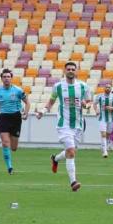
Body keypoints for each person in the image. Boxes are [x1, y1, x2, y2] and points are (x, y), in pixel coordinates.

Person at [37, 61, 92, 191]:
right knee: (71, 152)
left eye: (73, 69)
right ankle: (73, 182)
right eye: (69, 69)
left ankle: (55, 159)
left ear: (76, 71)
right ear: (65, 71)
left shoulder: (83, 86)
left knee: (70, 152)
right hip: (64, 125)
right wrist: (43, 111)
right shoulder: (58, 87)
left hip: (78, 125)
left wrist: (86, 105)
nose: (71, 71)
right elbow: (51, 102)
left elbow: (89, 102)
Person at [0, 68, 29, 174]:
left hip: (16, 118)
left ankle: (11, 148)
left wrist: (25, 113)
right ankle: (9, 167)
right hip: (4, 118)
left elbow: (27, 102)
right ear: (1, 79)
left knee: (14, 148)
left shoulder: (18, 90)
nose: (6, 78)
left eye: (8, 77)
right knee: (5, 143)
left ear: (11, 78)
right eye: (4, 77)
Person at [94, 85, 113, 158]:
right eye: (106, 87)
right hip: (102, 118)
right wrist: (96, 110)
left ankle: (104, 146)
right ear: (104, 88)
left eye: (109, 87)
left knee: (108, 134)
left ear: (111, 89)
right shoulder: (99, 96)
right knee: (103, 134)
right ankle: (105, 151)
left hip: (111, 118)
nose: (107, 88)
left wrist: (112, 108)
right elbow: (95, 103)